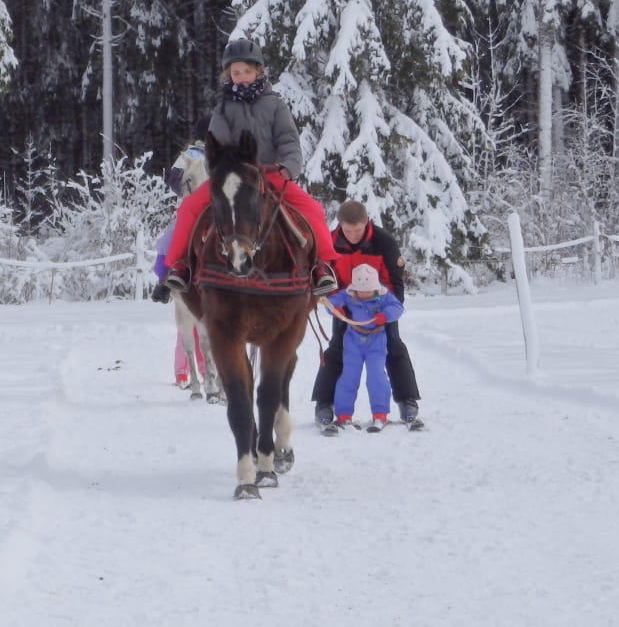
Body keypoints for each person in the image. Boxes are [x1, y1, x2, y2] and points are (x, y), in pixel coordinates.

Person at [157, 37, 339, 296]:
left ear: (258, 71)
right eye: (236, 72)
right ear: (229, 75)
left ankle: (322, 266)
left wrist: (288, 167)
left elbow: (288, 139)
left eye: (246, 71)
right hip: (232, 177)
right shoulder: (222, 109)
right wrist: (221, 170)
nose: (241, 76)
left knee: (312, 208)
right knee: (189, 207)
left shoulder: (275, 104)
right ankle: (179, 266)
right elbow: (215, 144)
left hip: (270, 174)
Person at [311, 200, 422, 427]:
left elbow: (395, 281)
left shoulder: (384, 243)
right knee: (336, 349)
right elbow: (324, 278)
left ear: (366, 223)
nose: (352, 235)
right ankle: (324, 403)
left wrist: (387, 310)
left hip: (379, 306)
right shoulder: (330, 243)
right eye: (347, 230)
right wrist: (335, 304)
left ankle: (407, 399)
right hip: (345, 307)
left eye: (357, 230)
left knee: (394, 346)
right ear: (340, 225)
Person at [326, 263, 405, 431]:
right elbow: (330, 302)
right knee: (348, 376)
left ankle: (380, 414)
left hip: (376, 342)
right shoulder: (348, 294)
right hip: (353, 342)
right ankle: (343, 415)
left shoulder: (383, 295)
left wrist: (385, 315)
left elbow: (397, 307)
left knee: (376, 376)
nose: (364, 294)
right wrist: (335, 309)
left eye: (368, 291)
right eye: (361, 291)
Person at [151, 114, 211, 305]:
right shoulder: (191, 154)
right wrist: (188, 190)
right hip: (193, 206)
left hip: (217, 206)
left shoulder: (223, 155)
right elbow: (174, 179)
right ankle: (167, 279)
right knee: (172, 238)